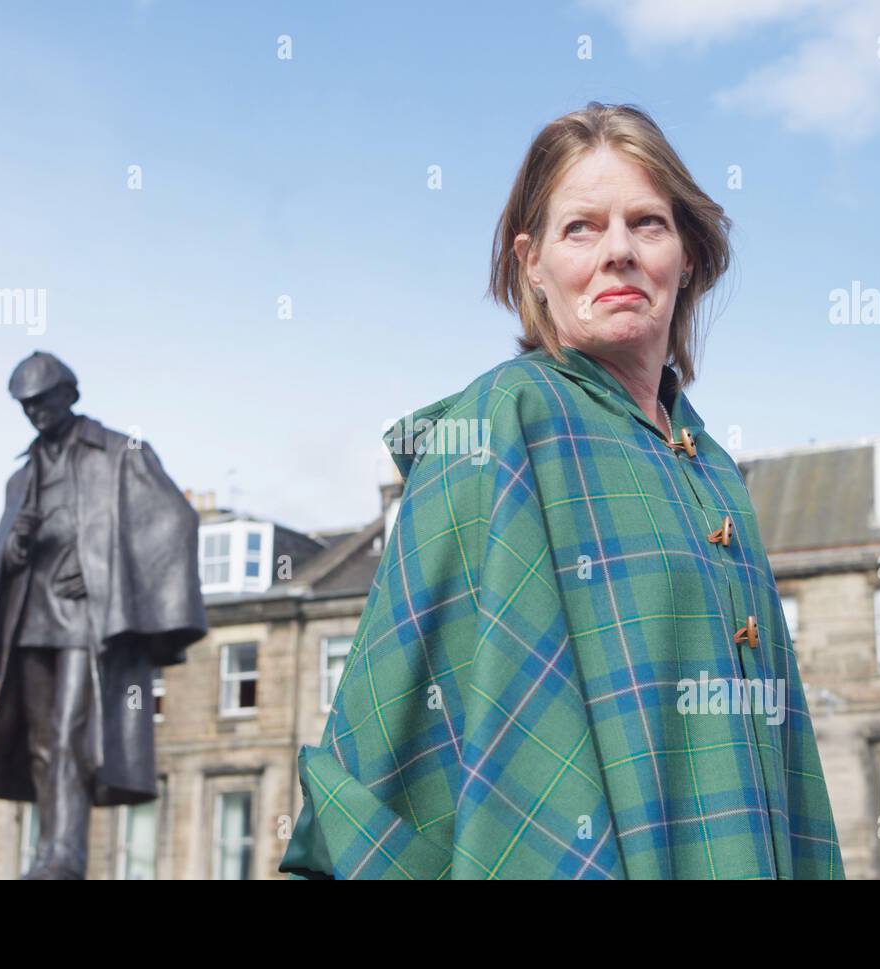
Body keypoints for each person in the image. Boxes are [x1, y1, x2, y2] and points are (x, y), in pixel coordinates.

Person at [279, 102, 845, 879]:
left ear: (687, 255)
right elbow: (390, 749)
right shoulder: (503, 421)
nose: (618, 250)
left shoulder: (711, 465)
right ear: (532, 263)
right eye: (582, 227)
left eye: (647, 223)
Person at [0, 351, 207, 879]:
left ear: (70, 393)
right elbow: (1, 558)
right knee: (42, 743)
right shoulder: (20, 478)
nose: (35, 413)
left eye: (43, 401)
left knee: (73, 732)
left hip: (84, 619)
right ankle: (49, 853)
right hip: (30, 618)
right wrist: (16, 548)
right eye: (26, 406)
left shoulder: (118, 453)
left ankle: (65, 859)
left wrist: (104, 573)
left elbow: (174, 522)